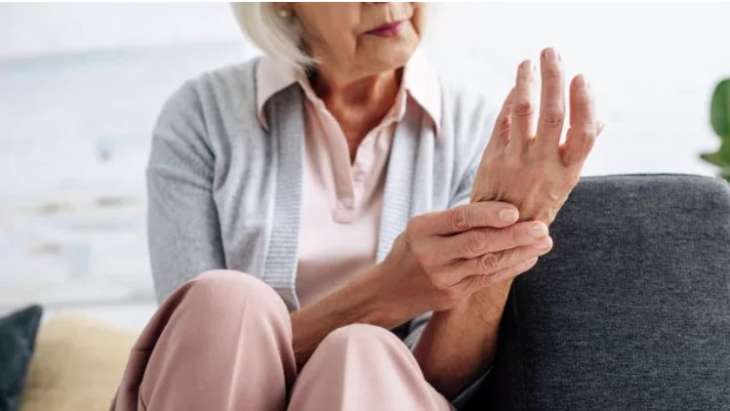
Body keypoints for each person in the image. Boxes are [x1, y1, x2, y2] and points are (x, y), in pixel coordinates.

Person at [111, 3, 604, 410]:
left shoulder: (479, 134)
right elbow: (197, 357)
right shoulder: (202, 118)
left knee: (359, 356)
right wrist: (387, 292)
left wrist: (505, 238)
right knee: (229, 302)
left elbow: (442, 383)